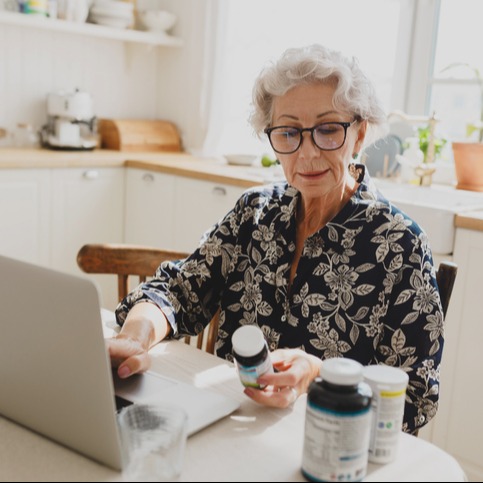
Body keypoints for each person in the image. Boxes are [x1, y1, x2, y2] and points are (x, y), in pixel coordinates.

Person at [109, 44, 443, 434]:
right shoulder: (254, 213)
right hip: (229, 425)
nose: (307, 153)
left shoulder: (401, 245)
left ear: (360, 133)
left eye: (328, 130)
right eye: (289, 133)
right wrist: (136, 337)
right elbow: (178, 290)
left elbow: (415, 397)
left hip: (328, 448)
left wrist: (321, 376)